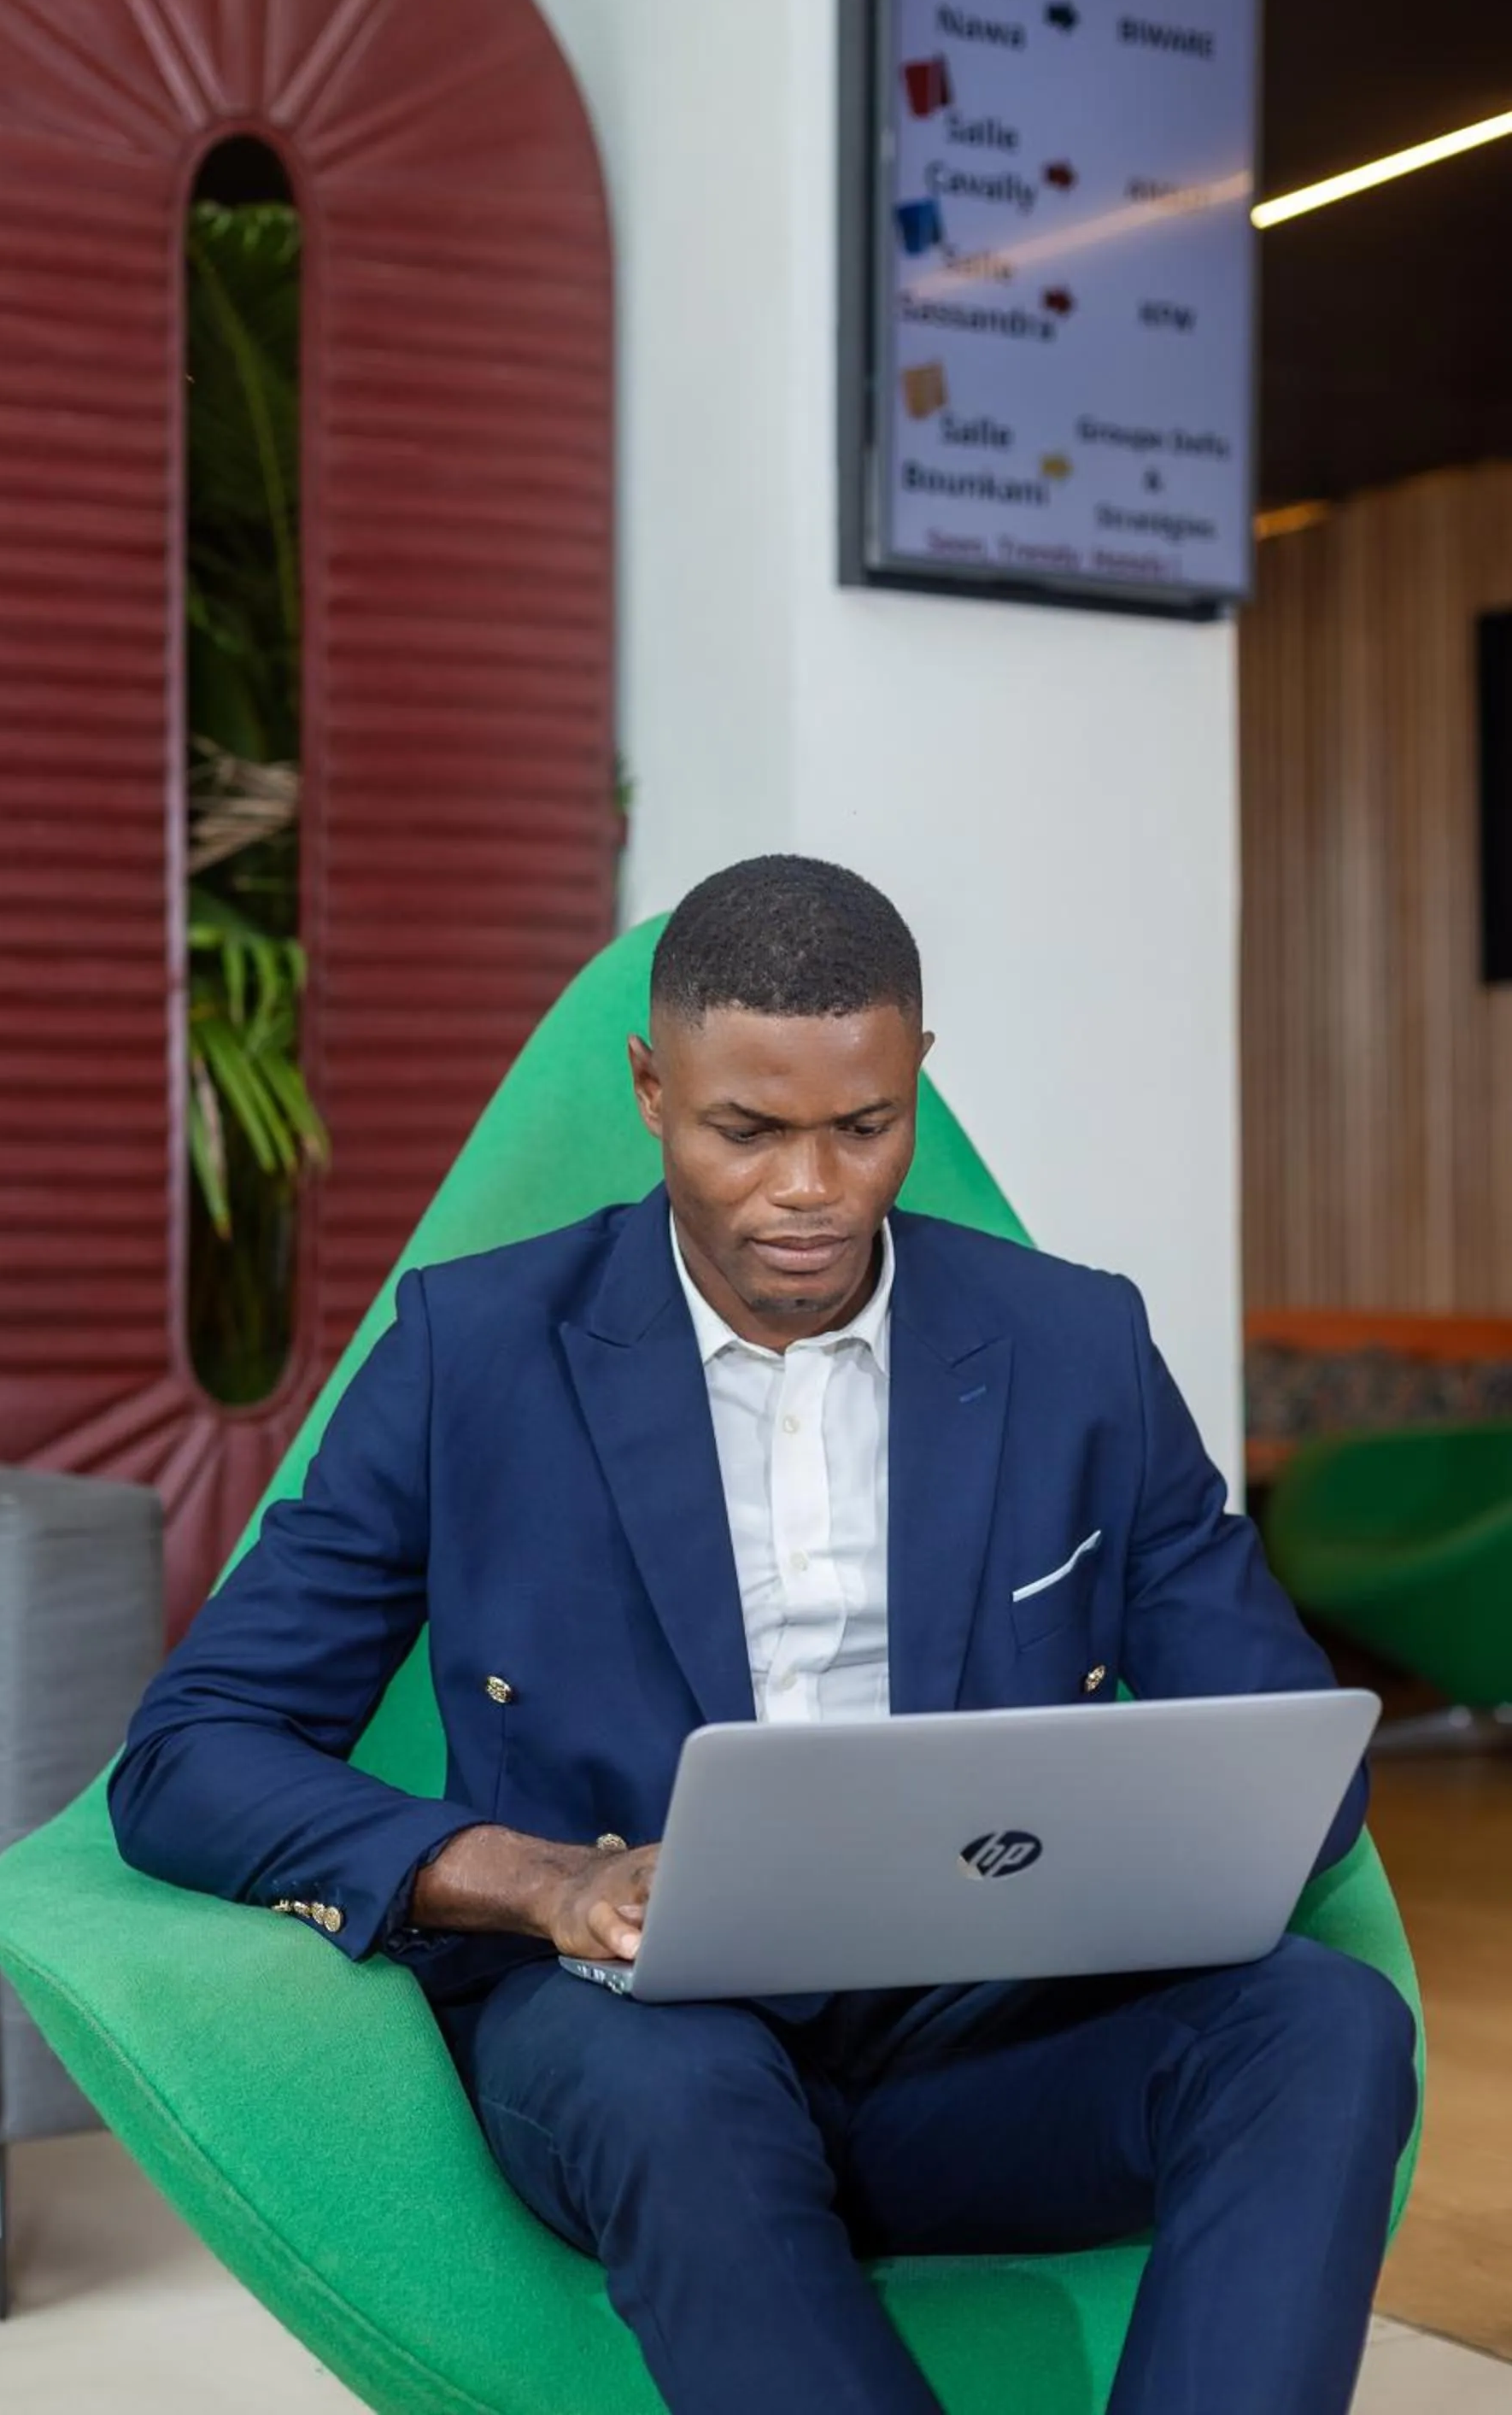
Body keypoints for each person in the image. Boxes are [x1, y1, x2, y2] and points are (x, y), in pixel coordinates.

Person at [108, 854, 1416, 2415]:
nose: (812, 1190)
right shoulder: (477, 1353)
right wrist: (542, 1882)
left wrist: (1130, 1833)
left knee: (1323, 2023)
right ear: (653, 1090)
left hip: (993, 2046)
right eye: (747, 1131)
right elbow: (190, 1755)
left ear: (916, 1081)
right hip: (635, 2039)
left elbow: (1291, 1762)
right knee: (679, 2095)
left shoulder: (1078, 1348)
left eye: (864, 1128)